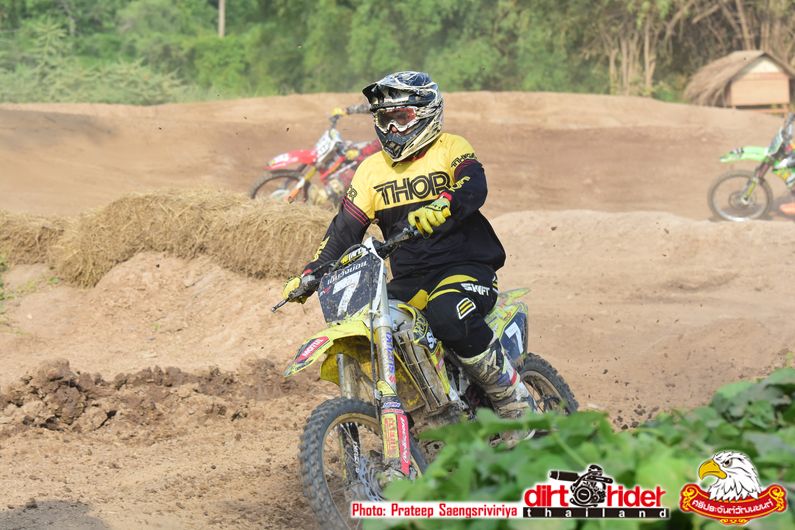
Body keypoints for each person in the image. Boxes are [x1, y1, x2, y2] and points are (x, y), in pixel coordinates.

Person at [282, 71, 533, 420]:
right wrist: (312, 272)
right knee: (375, 326)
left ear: (427, 113)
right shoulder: (371, 171)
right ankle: (421, 414)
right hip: (411, 279)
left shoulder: (451, 147)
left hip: (465, 267)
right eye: (385, 119)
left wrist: (445, 202)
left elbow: (473, 185)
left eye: (402, 117)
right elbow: (344, 231)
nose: (392, 128)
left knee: (447, 313)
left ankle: (511, 397)